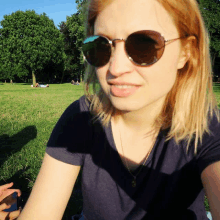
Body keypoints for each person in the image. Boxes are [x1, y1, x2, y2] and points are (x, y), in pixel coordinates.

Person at [18, 0, 220, 219]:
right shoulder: (81, 117)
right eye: (101, 46)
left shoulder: (205, 124)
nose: (115, 68)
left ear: (186, 52)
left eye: (144, 44)